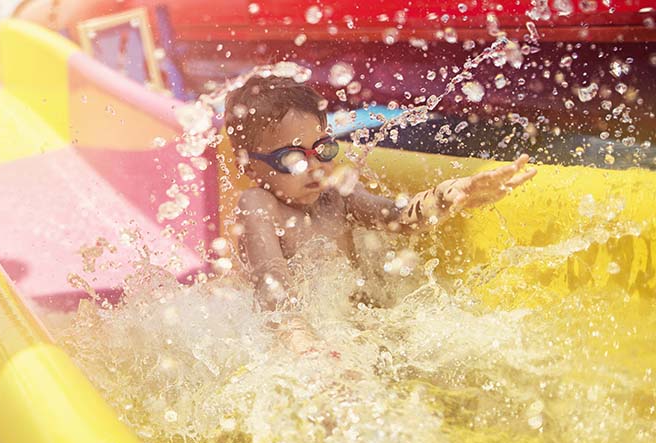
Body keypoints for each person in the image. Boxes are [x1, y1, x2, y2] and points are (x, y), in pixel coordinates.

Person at [225, 75, 537, 312]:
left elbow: (399, 217)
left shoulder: (336, 196)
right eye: (292, 158)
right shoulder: (259, 205)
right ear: (250, 167)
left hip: (353, 317)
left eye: (323, 149)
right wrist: (300, 339)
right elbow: (271, 279)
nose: (314, 167)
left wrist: (449, 194)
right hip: (292, 329)